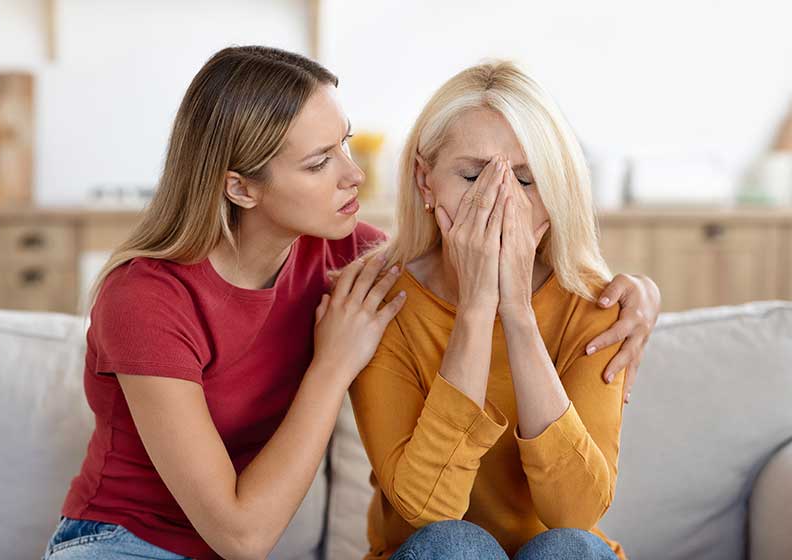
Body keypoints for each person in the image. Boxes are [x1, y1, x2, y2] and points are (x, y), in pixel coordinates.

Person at [43, 47, 658, 560]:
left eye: (345, 144)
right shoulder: (147, 298)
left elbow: (441, 265)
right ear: (239, 186)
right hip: (125, 542)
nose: (353, 175)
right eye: (318, 163)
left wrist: (638, 294)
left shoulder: (351, 259)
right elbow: (243, 534)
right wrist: (333, 363)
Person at [350, 60, 654, 559]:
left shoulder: (600, 306)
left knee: (570, 548)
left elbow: (576, 513)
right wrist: (475, 310)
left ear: (556, 190)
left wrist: (517, 313)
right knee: (452, 543)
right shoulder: (381, 306)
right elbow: (427, 510)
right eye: (473, 176)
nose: (500, 201)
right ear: (426, 183)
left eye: (527, 180)